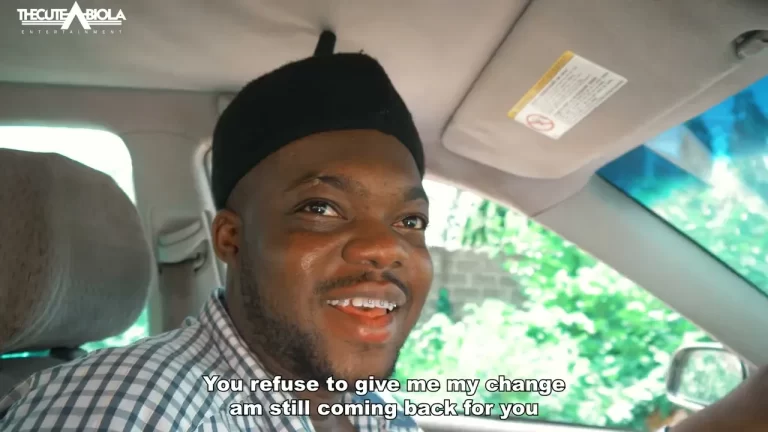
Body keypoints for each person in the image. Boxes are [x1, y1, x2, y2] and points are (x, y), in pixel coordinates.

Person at [1, 35, 767, 432]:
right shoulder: (131, 408)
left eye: (410, 220)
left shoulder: (356, 397)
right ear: (230, 238)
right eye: (322, 208)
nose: (386, 247)